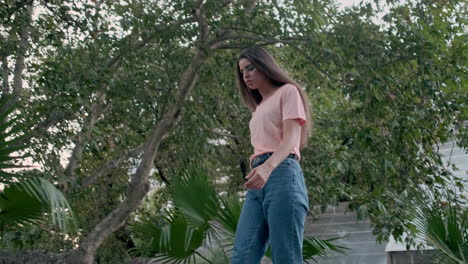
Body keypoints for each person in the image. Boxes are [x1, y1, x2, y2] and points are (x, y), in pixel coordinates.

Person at [231, 46, 312, 264]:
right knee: (242, 257)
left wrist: (267, 168)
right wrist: (260, 170)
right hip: (258, 180)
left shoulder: (288, 92)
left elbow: (291, 139)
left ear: (265, 66)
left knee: (286, 256)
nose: (246, 75)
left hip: (282, 173)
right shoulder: (258, 108)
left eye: (250, 68)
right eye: (242, 72)